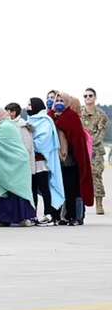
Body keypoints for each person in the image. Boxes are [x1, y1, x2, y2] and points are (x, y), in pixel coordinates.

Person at [0, 108, 37, 226]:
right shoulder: (9, 125)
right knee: (12, 191)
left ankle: (16, 218)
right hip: (17, 163)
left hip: (16, 164)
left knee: (16, 191)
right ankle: (11, 219)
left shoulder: (5, 127)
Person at [50, 92, 94, 225]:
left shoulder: (71, 117)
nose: (58, 102)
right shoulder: (52, 117)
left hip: (71, 160)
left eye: (61, 100)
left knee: (73, 189)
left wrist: (60, 121)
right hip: (58, 161)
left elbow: (77, 139)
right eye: (56, 100)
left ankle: (75, 217)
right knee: (62, 189)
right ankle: (64, 216)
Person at [25, 98, 63, 223]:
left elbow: (43, 141)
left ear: (36, 106)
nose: (28, 107)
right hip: (30, 162)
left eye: (30, 104)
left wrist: (29, 142)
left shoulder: (45, 121)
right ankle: (32, 215)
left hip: (42, 162)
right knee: (32, 189)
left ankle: (49, 214)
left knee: (44, 188)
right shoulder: (29, 121)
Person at [81, 87, 108, 214]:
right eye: (85, 96)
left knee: (96, 175)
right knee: (80, 176)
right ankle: (80, 204)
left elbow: (101, 134)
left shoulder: (101, 115)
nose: (87, 98)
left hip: (96, 150)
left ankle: (99, 203)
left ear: (95, 97)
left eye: (90, 95)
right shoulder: (79, 112)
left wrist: (90, 143)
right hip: (81, 149)